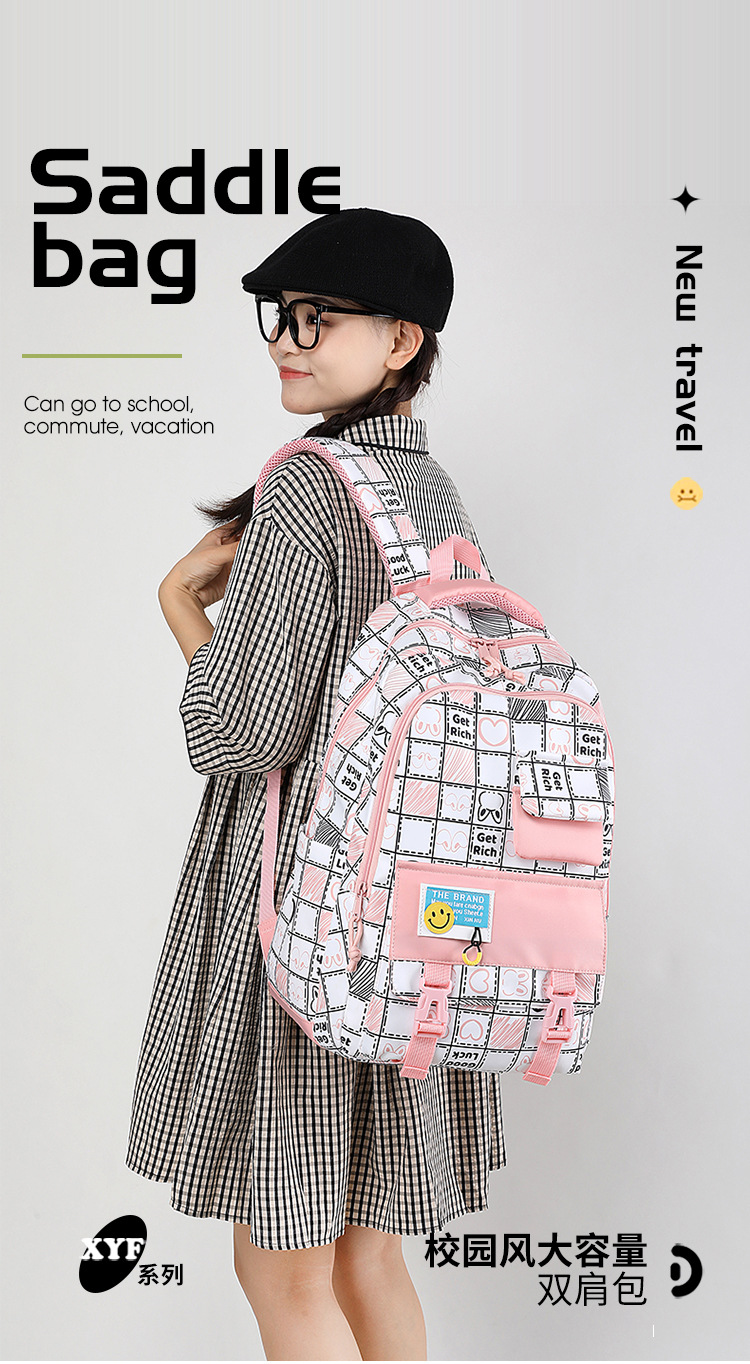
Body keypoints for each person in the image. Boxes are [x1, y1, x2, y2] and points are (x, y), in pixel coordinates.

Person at [125, 207, 506, 1361]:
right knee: (365, 1254)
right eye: (282, 316)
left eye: (319, 318)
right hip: (423, 907)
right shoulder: (430, 492)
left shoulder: (307, 485)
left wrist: (179, 605)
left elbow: (241, 731)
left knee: (281, 1262)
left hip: (307, 905)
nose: (288, 341)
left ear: (401, 339)